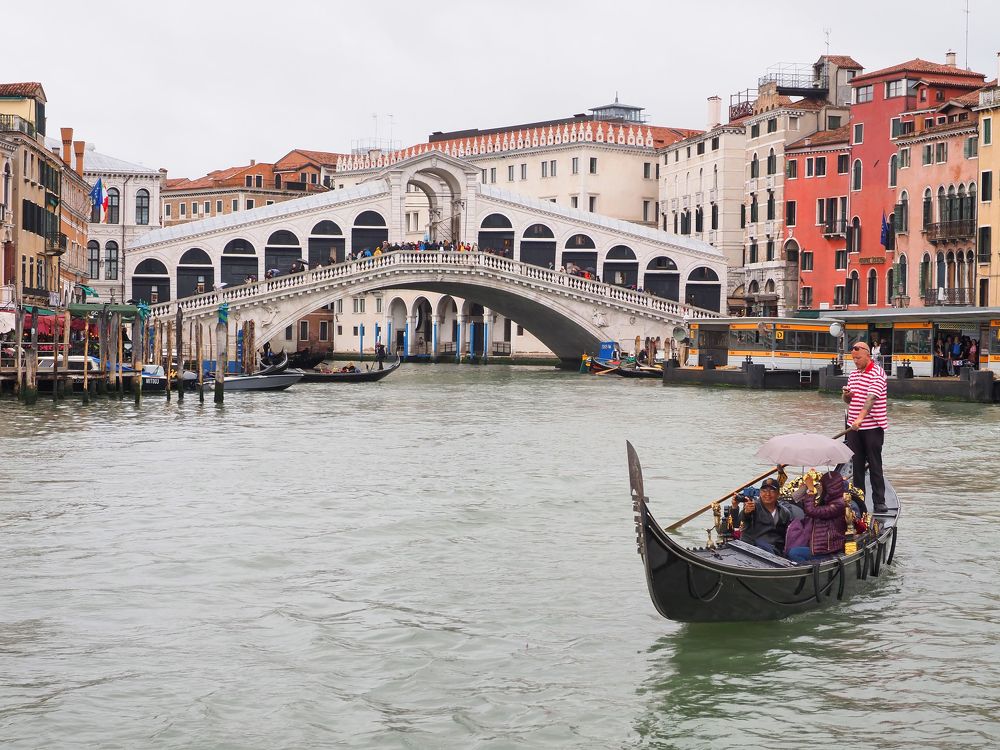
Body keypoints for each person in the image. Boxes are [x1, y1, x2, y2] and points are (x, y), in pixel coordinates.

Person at [842, 340, 888, 514]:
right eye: (853, 359)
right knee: (857, 465)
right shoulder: (854, 375)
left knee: (875, 464)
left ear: (868, 355)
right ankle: (860, 503)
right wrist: (846, 395)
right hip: (854, 427)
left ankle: (879, 502)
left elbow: (871, 399)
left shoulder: (878, 373)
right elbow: (849, 401)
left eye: (858, 358)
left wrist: (860, 419)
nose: (856, 361)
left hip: (873, 427)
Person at [786, 470, 848, 563]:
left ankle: (810, 569)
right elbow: (810, 512)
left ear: (830, 487)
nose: (820, 487)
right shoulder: (830, 501)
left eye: (822, 485)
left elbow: (812, 511)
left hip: (829, 548)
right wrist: (805, 491)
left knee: (794, 553)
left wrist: (811, 490)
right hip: (820, 544)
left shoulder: (838, 504)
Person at [732, 477, 793, 555]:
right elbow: (737, 523)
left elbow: (786, 535)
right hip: (751, 548)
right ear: (760, 493)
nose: (767, 494)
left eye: (772, 490)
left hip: (774, 551)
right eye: (764, 491)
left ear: (778, 494)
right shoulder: (752, 506)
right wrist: (741, 510)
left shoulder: (784, 512)